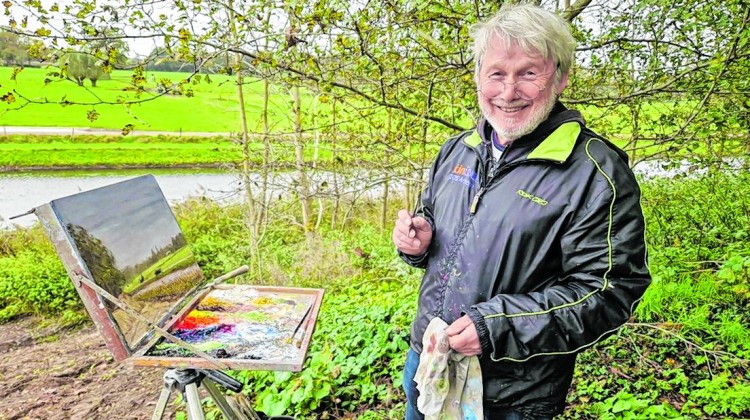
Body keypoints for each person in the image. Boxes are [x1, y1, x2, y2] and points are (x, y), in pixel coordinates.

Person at [392, 4, 651, 419]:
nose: (508, 92)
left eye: (529, 73)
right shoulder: (458, 150)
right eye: (496, 73)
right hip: (426, 358)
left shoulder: (594, 172)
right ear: (478, 77)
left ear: (561, 77)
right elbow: (436, 230)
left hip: (514, 394)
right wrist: (418, 244)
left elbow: (610, 290)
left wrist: (495, 327)